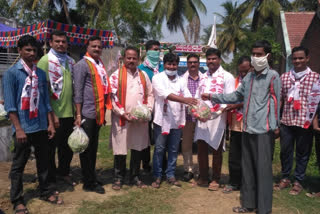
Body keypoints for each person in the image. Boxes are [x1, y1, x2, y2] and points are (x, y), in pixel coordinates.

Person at [202, 40, 280, 214]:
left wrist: (274, 126)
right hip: (247, 128)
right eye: (254, 54)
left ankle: (264, 208)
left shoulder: (273, 76)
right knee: (249, 169)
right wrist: (212, 96)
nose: (256, 57)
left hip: (263, 130)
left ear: (268, 56)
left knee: (263, 171)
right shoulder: (249, 77)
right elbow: (235, 96)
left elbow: (276, 102)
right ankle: (249, 204)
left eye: (259, 54)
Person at [3, 35, 62, 214]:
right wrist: (18, 129)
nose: (31, 53)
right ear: (19, 51)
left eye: (34, 50)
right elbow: (10, 106)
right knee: (19, 166)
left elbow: (45, 102)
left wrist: (50, 124)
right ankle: (17, 199)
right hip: (23, 128)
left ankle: (45, 191)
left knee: (44, 162)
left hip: (41, 126)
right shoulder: (11, 74)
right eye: (27, 50)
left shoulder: (40, 73)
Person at [274, 46, 319, 196]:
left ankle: (298, 180)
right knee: (285, 151)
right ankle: (285, 177)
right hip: (287, 120)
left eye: (301, 58)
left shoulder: (316, 78)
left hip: (305, 122)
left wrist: (315, 121)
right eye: (295, 58)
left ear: (307, 58)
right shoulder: (285, 77)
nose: (298, 61)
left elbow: (317, 102)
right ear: (291, 60)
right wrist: (276, 120)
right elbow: (280, 100)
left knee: (303, 153)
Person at [110, 46, 154, 190]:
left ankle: (134, 176)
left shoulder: (143, 75)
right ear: (123, 58)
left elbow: (150, 94)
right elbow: (112, 98)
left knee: (137, 148)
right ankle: (118, 177)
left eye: (134, 58)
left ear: (138, 59)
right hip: (122, 118)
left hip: (139, 120)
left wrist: (147, 111)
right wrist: (122, 113)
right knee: (120, 148)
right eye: (128, 57)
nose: (131, 60)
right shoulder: (116, 75)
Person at [151, 52, 197, 188]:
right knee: (159, 149)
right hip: (161, 120)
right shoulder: (157, 78)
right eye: (169, 64)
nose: (172, 67)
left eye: (174, 64)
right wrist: (185, 99)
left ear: (177, 65)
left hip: (177, 120)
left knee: (173, 149)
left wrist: (195, 104)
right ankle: (157, 175)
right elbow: (165, 94)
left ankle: (170, 174)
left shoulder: (181, 79)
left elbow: (188, 94)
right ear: (164, 64)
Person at [73, 36, 112, 194]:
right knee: (87, 149)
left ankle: (90, 176)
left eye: (99, 47)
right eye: (94, 46)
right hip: (86, 113)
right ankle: (88, 182)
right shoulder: (82, 65)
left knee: (93, 146)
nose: (97, 49)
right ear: (87, 47)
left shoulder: (99, 64)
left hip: (97, 112)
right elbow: (78, 92)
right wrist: (77, 114)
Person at [37, 30, 76, 188]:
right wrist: (51, 116)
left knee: (67, 147)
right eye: (57, 41)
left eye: (63, 41)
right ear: (50, 43)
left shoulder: (70, 61)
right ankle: (51, 178)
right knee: (50, 149)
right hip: (53, 115)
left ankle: (64, 173)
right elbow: (42, 91)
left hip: (69, 113)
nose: (61, 44)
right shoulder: (45, 61)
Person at [195, 48, 235, 191]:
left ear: (219, 59)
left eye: (214, 58)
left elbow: (230, 98)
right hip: (202, 116)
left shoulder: (227, 76)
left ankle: (216, 179)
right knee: (201, 147)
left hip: (218, 117)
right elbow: (197, 97)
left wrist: (219, 111)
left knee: (216, 148)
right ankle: (204, 176)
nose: (211, 61)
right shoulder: (202, 76)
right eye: (209, 59)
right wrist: (197, 111)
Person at [223, 56, 252, 193]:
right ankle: (234, 182)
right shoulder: (235, 82)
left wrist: (236, 104)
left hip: (251, 123)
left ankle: (248, 183)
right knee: (234, 153)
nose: (244, 74)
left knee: (249, 155)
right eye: (241, 72)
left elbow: (251, 98)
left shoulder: (256, 81)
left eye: (246, 71)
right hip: (235, 122)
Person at [138, 40, 164, 173]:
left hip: (161, 107)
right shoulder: (141, 69)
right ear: (148, 51)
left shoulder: (163, 67)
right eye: (154, 49)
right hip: (147, 106)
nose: (156, 52)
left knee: (161, 135)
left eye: (158, 50)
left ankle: (161, 163)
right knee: (145, 135)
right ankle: (146, 163)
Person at [181, 53, 205, 182]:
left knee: (202, 144)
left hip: (202, 116)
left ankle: (202, 170)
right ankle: (188, 169)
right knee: (186, 144)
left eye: (195, 62)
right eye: (190, 62)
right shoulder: (181, 79)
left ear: (199, 63)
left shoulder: (205, 78)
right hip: (188, 117)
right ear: (187, 64)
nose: (193, 64)